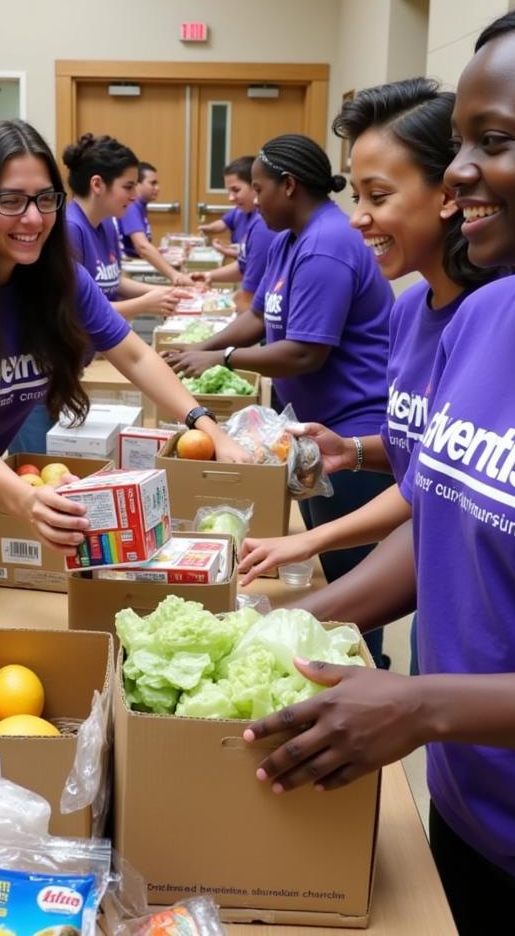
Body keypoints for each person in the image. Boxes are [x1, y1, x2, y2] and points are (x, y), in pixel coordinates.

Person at [242, 0, 515, 935]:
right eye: (458, 147)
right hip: (474, 809)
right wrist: (279, 629)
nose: (458, 178)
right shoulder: (483, 316)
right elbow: (447, 523)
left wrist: (424, 706)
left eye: (495, 141)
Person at [0, 120, 247, 648]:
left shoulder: (54, 274)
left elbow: (131, 351)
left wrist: (205, 424)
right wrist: (26, 501)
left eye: (45, 199)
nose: (34, 218)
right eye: (11, 201)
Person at [237, 80, 515, 674]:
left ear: (450, 193)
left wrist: (312, 546)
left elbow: (445, 492)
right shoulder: (412, 311)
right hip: (442, 632)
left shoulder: (496, 321)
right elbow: (431, 466)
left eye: (378, 195)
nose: (359, 218)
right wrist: (357, 451)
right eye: (357, 194)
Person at [164, 133, 395, 666]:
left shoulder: (327, 246)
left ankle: (360, 665)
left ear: (289, 186)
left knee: (350, 574)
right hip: (313, 431)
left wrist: (222, 362)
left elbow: (304, 353)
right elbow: (259, 317)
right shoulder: (292, 238)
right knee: (322, 556)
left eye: (260, 189)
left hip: (351, 430)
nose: (253, 200)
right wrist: (204, 345)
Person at [63, 134, 192, 319]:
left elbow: (113, 282)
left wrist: (165, 293)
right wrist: (145, 304)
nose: (134, 195)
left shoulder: (107, 222)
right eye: (128, 187)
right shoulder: (70, 230)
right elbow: (79, 312)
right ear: (97, 184)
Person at [192, 156, 277, 312]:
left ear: (255, 186)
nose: (230, 198)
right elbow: (244, 266)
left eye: (236, 190)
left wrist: (213, 302)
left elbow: (248, 299)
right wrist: (209, 275)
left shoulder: (263, 226)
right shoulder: (246, 214)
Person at [118, 161, 194, 286]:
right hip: (130, 271)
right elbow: (142, 247)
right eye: (152, 183)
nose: (157, 188)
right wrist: (175, 275)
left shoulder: (140, 207)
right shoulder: (132, 207)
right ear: (137, 184)